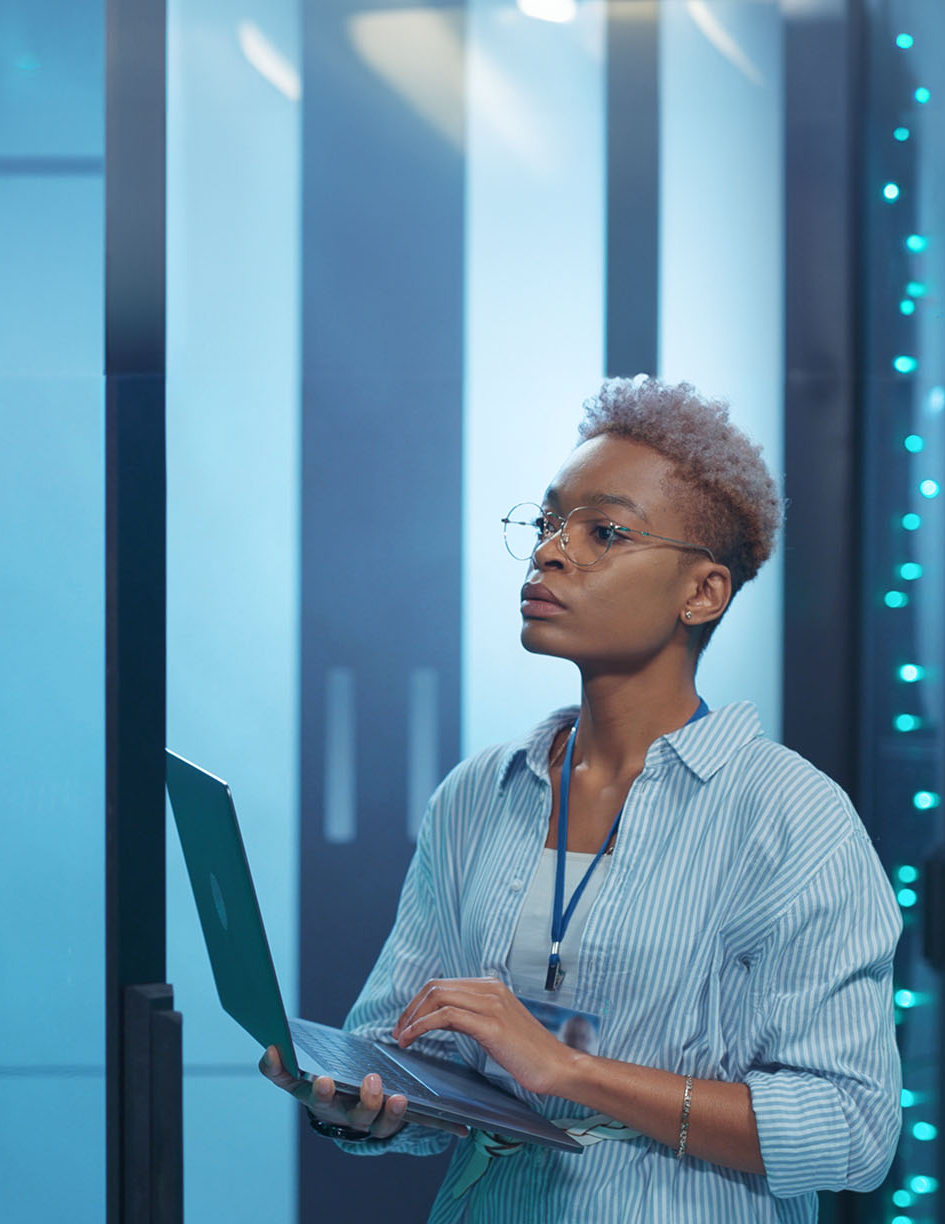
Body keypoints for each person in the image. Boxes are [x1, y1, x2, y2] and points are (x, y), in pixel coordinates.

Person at [258, 377, 901, 1221]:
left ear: (702, 593)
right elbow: (400, 1049)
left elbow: (853, 1130)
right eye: (547, 524)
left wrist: (572, 1072)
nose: (550, 552)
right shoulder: (478, 795)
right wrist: (361, 1109)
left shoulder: (789, 818)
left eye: (603, 532)